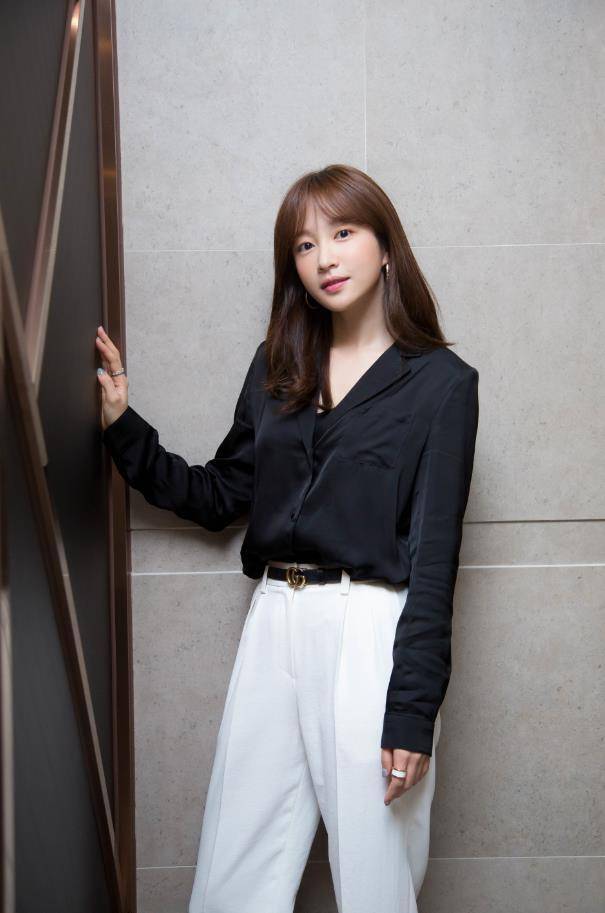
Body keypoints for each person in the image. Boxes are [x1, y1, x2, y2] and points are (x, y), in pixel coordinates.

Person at [96, 164, 479, 913]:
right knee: (237, 863)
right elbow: (221, 495)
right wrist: (122, 426)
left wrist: (411, 712)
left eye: (343, 233)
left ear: (386, 247)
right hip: (273, 618)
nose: (325, 258)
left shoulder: (441, 384)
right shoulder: (277, 365)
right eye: (304, 246)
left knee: (374, 872)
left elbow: (434, 563)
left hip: (369, 629)